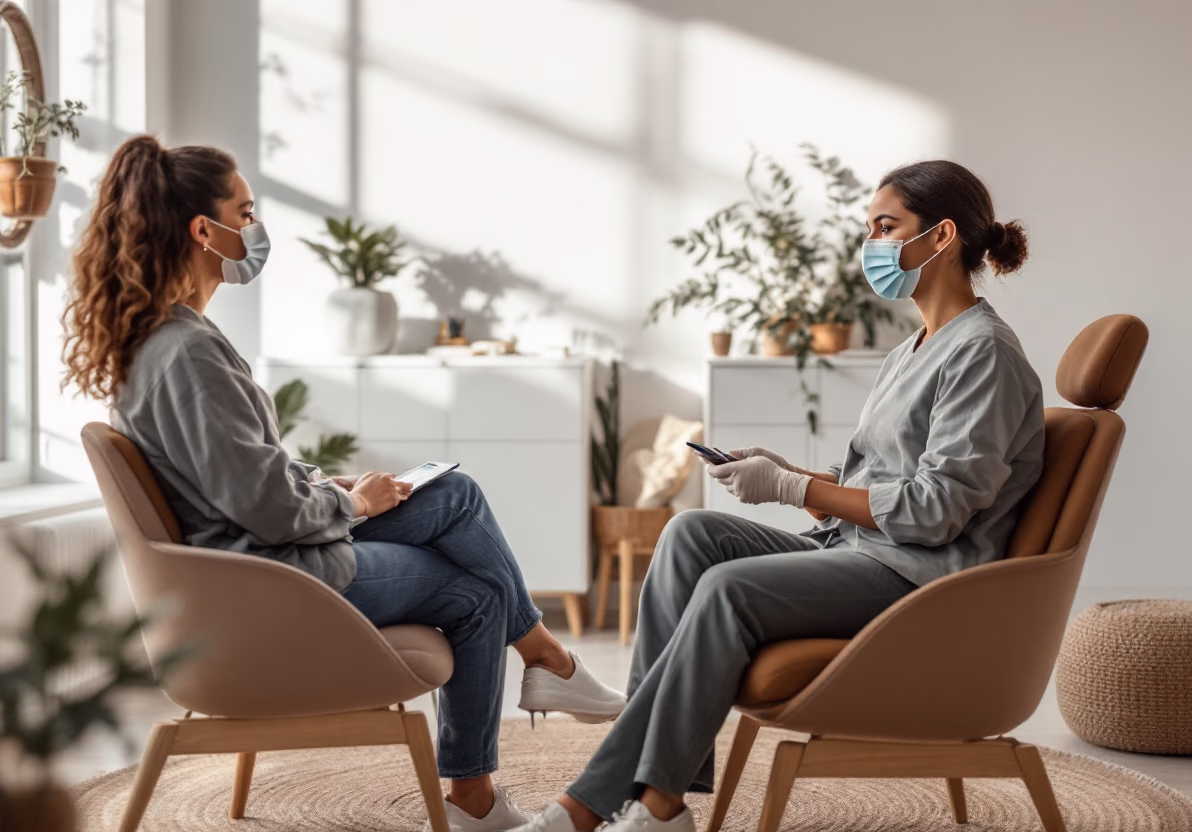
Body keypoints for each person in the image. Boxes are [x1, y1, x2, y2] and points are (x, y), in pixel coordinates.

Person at [61, 135, 625, 832]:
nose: (256, 227)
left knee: (450, 494)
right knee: (476, 589)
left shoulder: (168, 340)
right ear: (203, 231)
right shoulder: (186, 355)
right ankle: (514, 720)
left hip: (254, 560)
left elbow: (239, 474)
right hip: (271, 577)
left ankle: (535, 680)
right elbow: (265, 508)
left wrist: (325, 482)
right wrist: (351, 501)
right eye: (246, 210)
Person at [510, 159, 1045, 832]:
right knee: (690, 535)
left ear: (940, 238)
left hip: (918, 576)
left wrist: (795, 487)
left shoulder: (984, 353)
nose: (872, 244)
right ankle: (658, 799)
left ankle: (600, 804)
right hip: (861, 548)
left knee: (728, 588)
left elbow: (935, 513)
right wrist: (790, 477)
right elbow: (877, 484)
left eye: (887, 226)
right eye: (869, 227)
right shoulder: (913, 348)